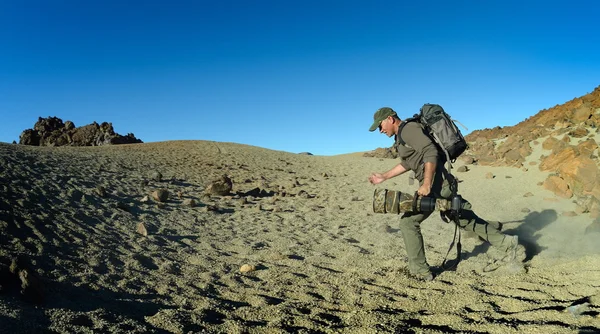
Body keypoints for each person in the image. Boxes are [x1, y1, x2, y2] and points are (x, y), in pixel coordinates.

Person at [368, 107, 524, 281]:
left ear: (390, 119)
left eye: (380, 125)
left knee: (408, 223)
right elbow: (408, 163)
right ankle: (508, 244)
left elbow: (431, 152)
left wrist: (426, 184)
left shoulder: (409, 129)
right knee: (464, 218)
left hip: (436, 184)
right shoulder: (402, 136)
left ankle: (420, 271)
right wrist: (384, 176)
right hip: (440, 183)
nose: (380, 130)